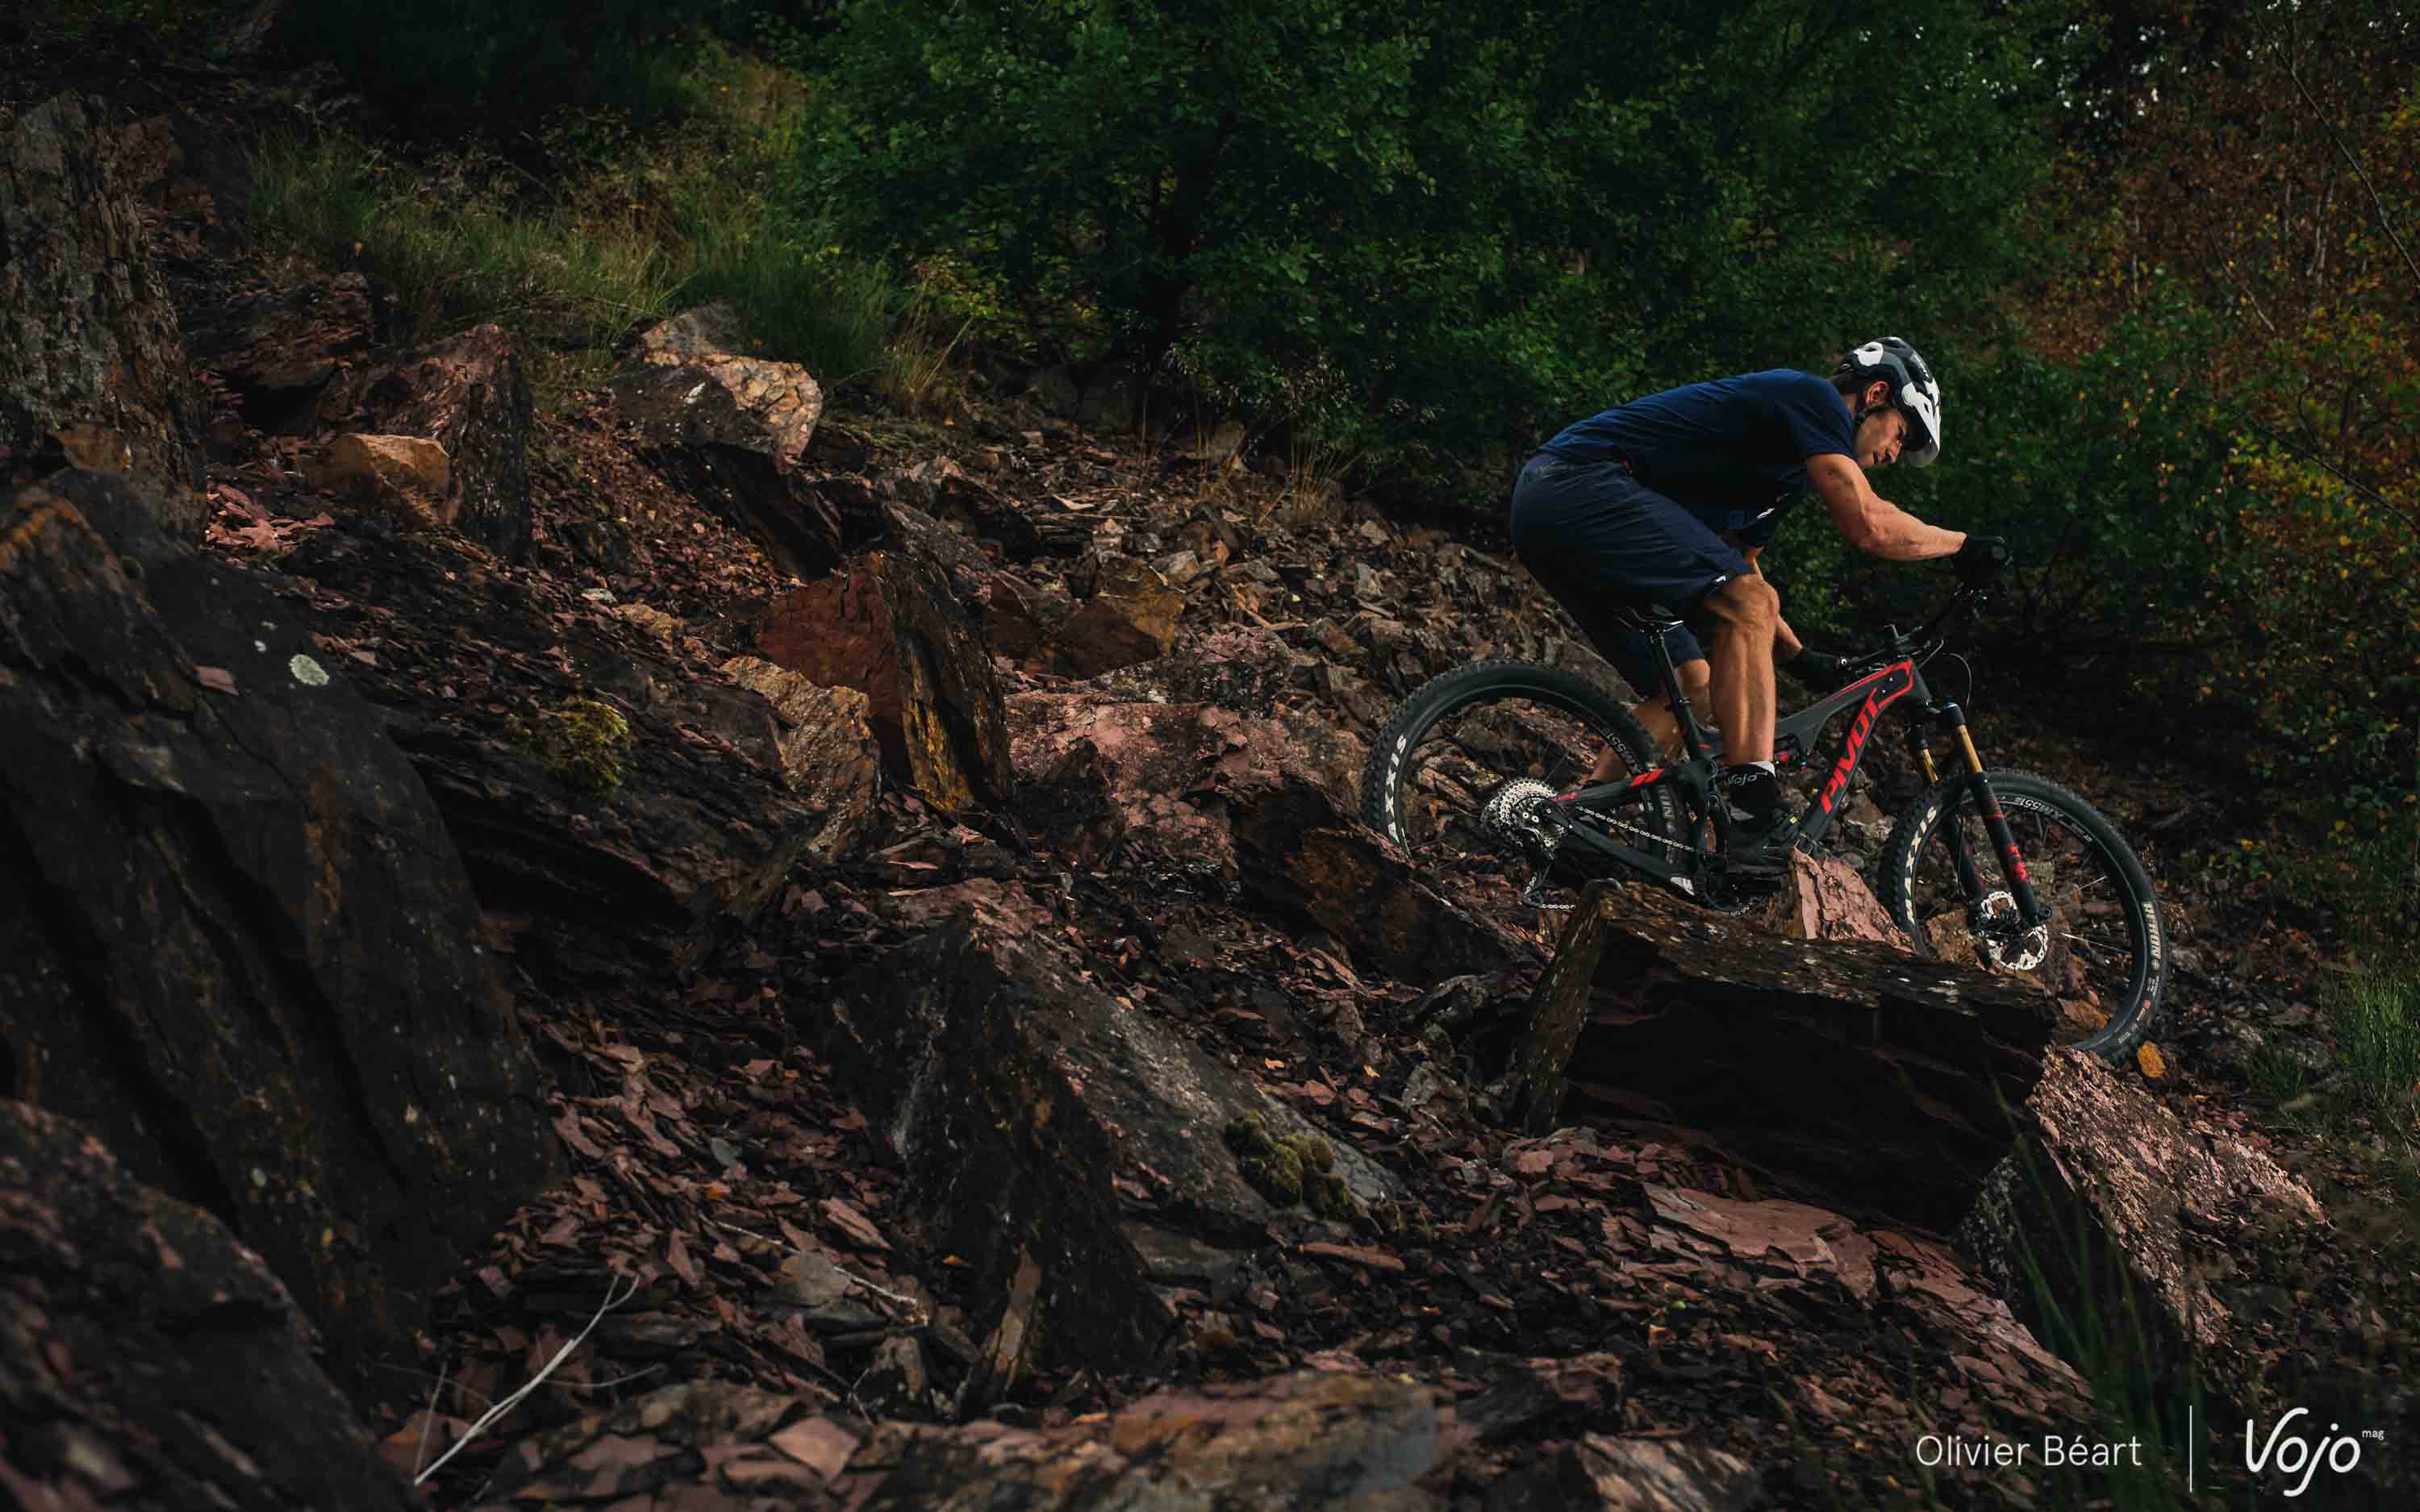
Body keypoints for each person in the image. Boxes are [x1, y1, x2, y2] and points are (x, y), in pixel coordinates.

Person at [1508, 337, 2005, 870]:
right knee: (1751, 604)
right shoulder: (1813, 398)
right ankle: (1753, 815)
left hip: (1551, 513)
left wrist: (1799, 656)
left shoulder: (1786, 476)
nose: (1893, 454)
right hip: (1580, 483)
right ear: (1876, 394)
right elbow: (1868, 523)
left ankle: (1577, 826)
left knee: (1691, 685)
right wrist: (1963, 546)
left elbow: (1739, 561)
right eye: (1901, 434)